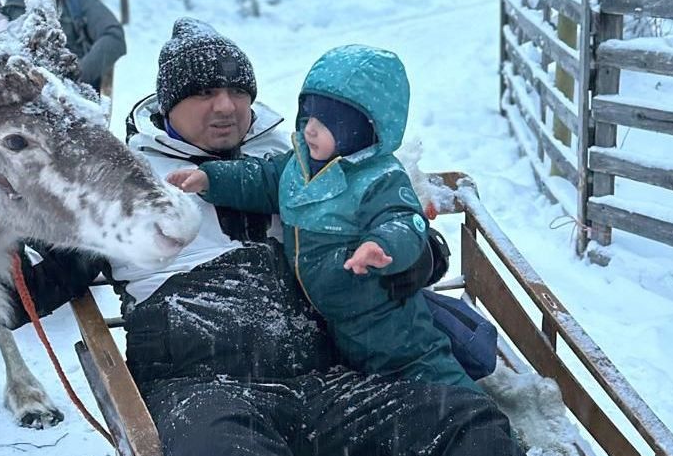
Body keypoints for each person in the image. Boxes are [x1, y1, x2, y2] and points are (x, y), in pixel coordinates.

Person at [11, 20, 673, 456]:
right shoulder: (117, 181)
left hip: (323, 383)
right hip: (206, 388)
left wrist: (408, 261)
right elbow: (24, 292)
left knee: (460, 423)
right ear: (168, 103)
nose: (224, 106)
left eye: (236, 90)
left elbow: (411, 233)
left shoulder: (309, 164)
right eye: (201, 92)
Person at [167, 42, 475, 390]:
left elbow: (402, 220)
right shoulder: (299, 164)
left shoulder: (379, 178)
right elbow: (262, 179)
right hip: (336, 321)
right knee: (382, 385)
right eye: (308, 116)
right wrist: (211, 179)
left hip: (382, 314)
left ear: (360, 130)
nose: (310, 129)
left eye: (326, 123)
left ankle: (491, 430)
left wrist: (380, 245)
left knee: (427, 372)